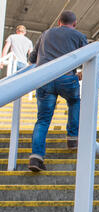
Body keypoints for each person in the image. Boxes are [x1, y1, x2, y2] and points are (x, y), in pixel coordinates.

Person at [28, 11, 88, 172]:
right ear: (74, 24)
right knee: (74, 101)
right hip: (67, 78)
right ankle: (72, 138)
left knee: (42, 120)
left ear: (59, 22)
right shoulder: (79, 36)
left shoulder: (46, 33)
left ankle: (36, 157)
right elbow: (89, 58)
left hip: (44, 78)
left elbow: (33, 59)